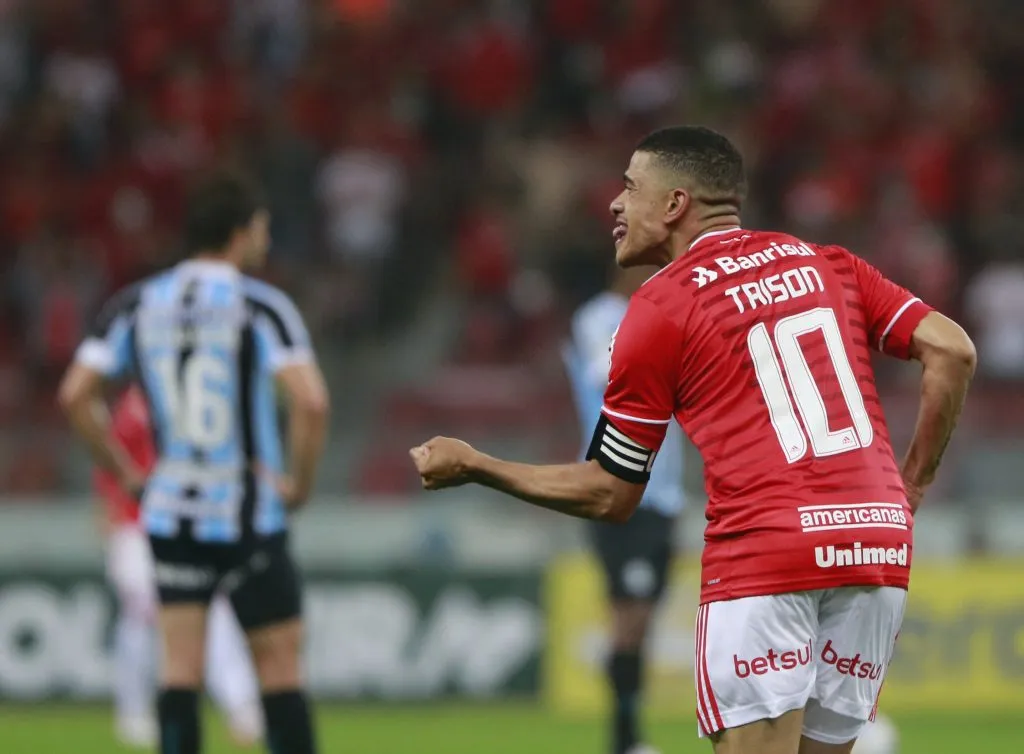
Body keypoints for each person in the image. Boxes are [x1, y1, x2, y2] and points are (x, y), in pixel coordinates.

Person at [410, 126, 976, 754]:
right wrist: (910, 486)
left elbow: (610, 493)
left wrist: (478, 464)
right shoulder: (827, 262)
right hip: (874, 544)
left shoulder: (662, 306)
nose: (615, 204)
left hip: (767, 552)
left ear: (675, 204)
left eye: (630, 187)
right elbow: (951, 350)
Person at [59, 173, 330, 754]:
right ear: (239, 232)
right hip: (248, 513)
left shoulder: (135, 303)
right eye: (260, 228)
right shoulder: (260, 305)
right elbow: (310, 400)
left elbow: (75, 395)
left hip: (170, 513)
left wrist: (126, 473)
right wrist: (300, 485)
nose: (265, 240)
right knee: (279, 670)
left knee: (178, 670)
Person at [96, 384, 263, 748]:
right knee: (142, 617)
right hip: (136, 526)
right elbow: (109, 463)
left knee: (215, 611)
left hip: (186, 524)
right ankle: (134, 710)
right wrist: (109, 515)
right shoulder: (136, 405)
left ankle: (239, 702)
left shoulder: (188, 393)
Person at [563, 265, 686, 754]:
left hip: (664, 495)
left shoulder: (663, 318)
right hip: (618, 486)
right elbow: (607, 371)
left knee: (643, 618)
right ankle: (625, 739)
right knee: (628, 615)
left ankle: (629, 733)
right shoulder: (599, 317)